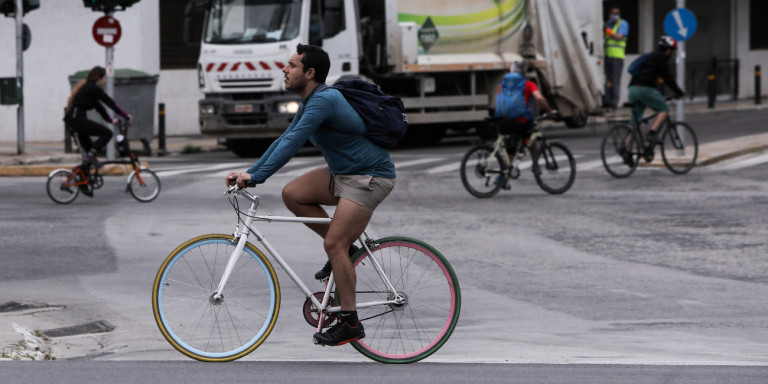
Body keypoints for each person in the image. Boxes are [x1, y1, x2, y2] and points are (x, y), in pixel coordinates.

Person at [225, 43, 396, 347]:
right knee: (293, 194)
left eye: (291, 65)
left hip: (369, 176)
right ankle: (347, 254)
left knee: (334, 243)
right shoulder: (310, 101)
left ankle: (350, 322)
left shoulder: (325, 99)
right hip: (342, 174)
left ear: (310, 72)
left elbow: (293, 142)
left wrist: (256, 177)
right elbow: (285, 138)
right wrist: (249, 173)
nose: (284, 70)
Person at [621, 35, 685, 165]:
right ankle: (652, 133)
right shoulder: (661, 58)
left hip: (633, 89)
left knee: (635, 122)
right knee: (664, 110)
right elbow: (667, 77)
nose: (671, 53)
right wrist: (678, 92)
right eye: (671, 50)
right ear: (668, 50)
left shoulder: (650, 56)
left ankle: (626, 151)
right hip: (645, 89)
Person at [494, 64, 556, 186]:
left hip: (504, 121)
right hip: (521, 121)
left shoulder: (503, 85)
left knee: (510, 150)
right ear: (523, 73)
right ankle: (535, 164)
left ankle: (500, 177)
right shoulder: (528, 84)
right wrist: (549, 111)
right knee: (531, 133)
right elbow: (539, 98)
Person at [64, 66, 132, 165]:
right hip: (77, 120)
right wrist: (126, 116)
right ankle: (90, 156)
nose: (105, 82)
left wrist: (111, 120)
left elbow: (100, 108)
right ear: (99, 78)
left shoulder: (89, 89)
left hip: (73, 121)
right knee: (107, 133)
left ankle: (83, 176)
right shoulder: (93, 88)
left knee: (90, 153)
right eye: (104, 79)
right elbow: (110, 102)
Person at [603, 6, 629, 111]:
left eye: (616, 13)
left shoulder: (623, 24)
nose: (614, 15)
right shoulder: (609, 23)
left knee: (615, 80)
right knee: (606, 80)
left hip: (617, 57)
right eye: (612, 13)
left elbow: (619, 37)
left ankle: (614, 103)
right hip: (607, 56)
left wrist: (610, 32)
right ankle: (606, 101)